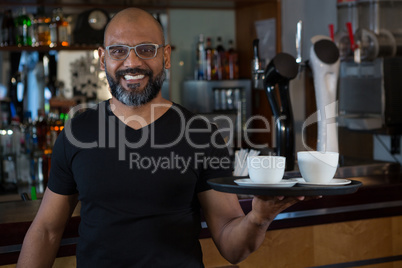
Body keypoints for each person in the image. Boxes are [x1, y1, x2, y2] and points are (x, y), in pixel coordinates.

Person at [17, 7, 316, 268]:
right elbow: (46, 230)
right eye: (118, 51)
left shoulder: (201, 135)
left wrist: (258, 218)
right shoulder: (78, 132)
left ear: (166, 55)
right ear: (102, 59)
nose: (131, 62)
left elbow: (232, 247)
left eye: (146, 49)